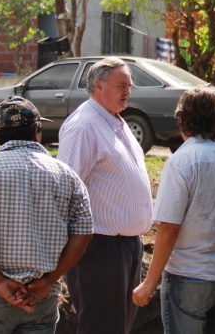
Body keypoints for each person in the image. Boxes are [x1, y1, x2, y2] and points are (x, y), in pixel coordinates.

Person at [0, 96, 93, 334]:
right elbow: (84, 232)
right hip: (41, 299)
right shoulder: (66, 175)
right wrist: (48, 280)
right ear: (37, 130)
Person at [132, 88, 215, 334]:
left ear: (182, 120)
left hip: (189, 277)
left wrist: (149, 283)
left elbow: (169, 227)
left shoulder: (182, 161)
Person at [57, 58, 154, 334]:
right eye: (121, 85)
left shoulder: (115, 121)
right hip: (99, 249)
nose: (127, 92)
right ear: (98, 86)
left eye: (129, 86)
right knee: (102, 326)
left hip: (125, 246)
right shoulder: (84, 126)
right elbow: (66, 189)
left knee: (118, 326)